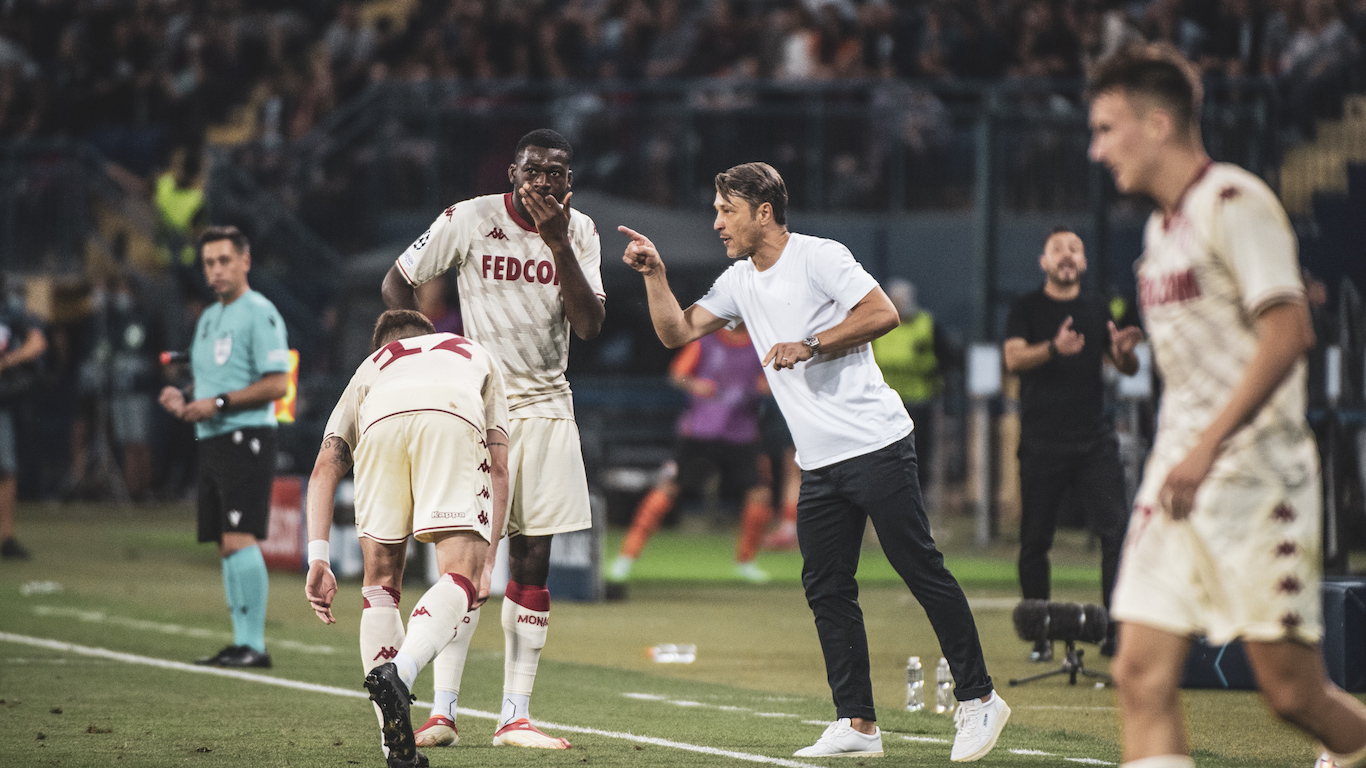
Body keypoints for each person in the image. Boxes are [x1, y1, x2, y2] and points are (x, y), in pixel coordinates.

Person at [619, 162, 1009, 763]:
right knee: (826, 587)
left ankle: (980, 698)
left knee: (919, 568)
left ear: (763, 212)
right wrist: (656, 275)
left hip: (876, 443)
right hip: (820, 462)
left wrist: (811, 344)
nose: (717, 222)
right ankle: (857, 722)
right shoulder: (738, 281)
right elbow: (676, 332)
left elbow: (883, 313)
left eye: (726, 210)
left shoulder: (820, 256)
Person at [1087, 43, 1366, 768]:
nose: (1097, 149)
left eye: (1107, 129)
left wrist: (1208, 445)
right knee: (1138, 673)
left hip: (1255, 479)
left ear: (1157, 124)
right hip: (1176, 478)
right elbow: (1206, 348)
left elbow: (1289, 331)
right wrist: (1132, 352)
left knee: (1292, 694)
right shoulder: (1159, 231)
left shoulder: (1236, 203)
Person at [380, 128, 603, 750]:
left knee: (533, 559)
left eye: (555, 172)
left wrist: (558, 244)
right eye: (533, 170)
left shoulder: (581, 232)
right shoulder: (469, 218)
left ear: (569, 181)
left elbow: (589, 325)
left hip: (547, 407)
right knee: (465, 560)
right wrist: (426, 354)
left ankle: (514, 716)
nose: (543, 181)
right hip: (475, 408)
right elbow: (397, 280)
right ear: (513, 173)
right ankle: (443, 713)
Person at [304, 309, 509, 768]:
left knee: (379, 584)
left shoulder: (373, 366)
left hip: (381, 421)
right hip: (450, 415)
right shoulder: (474, 354)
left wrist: (318, 557)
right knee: (459, 574)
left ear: (384, 347)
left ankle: (395, 749)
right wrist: (487, 558)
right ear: (428, 337)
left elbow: (324, 467)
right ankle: (401, 670)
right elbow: (498, 465)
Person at [1002, 227, 1141, 661]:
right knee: (1035, 541)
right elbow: (1013, 358)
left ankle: (1114, 631)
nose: (1067, 255)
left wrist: (1124, 351)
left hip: (1094, 441)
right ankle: (1040, 636)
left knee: (1116, 532)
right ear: (1044, 262)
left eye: (1075, 249)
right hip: (1042, 440)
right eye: (1058, 249)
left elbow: (1126, 367)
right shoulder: (1026, 307)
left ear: (1083, 262)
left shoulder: (1097, 306)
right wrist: (1054, 348)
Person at [157, 225, 290, 668]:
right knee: (224, 543)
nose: (216, 270)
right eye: (209, 263)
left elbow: (278, 384)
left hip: (246, 436)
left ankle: (255, 645)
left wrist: (217, 404)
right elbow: (211, 381)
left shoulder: (260, 312)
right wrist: (184, 397)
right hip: (212, 437)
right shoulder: (210, 318)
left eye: (224, 260)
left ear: (245, 261)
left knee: (239, 537)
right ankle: (240, 641)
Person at [609, 326, 774, 584]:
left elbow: (771, 383)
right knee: (669, 488)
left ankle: (746, 562)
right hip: (699, 432)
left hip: (741, 433)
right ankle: (626, 557)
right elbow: (677, 375)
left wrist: (764, 386)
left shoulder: (761, 343)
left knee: (759, 493)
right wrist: (696, 385)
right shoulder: (707, 341)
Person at [872, 277, 960, 492]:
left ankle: (918, 493)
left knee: (918, 452)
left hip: (919, 401)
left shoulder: (926, 324)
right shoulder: (877, 324)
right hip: (885, 403)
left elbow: (948, 357)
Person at [0, 274, 47, 560]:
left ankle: (6, 537)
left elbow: (37, 343)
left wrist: (8, 361)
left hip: (2, 404)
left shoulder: (11, 314)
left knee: (5, 469)